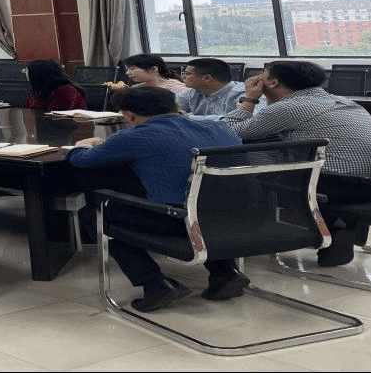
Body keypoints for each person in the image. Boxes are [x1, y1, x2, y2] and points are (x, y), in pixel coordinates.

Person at [67, 86, 244, 312]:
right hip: (238, 218)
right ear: (176, 107)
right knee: (200, 200)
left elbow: (82, 161)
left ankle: (154, 283)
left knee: (95, 213)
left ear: (128, 115)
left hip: (181, 223)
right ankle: (225, 272)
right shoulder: (221, 128)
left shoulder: (134, 137)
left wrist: (82, 146)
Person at [220, 60, 371, 267]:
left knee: (245, 170)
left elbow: (225, 133)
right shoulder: (343, 101)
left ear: (272, 82)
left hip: (338, 187)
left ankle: (250, 239)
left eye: (261, 75)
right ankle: (341, 225)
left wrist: (249, 99)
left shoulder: (289, 108)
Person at [175, 58, 251, 120]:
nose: (183, 77)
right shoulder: (193, 92)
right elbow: (171, 109)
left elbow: (238, 120)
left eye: (187, 74)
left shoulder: (245, 94)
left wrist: (189, 118)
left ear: (207, 78)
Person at [23, 59, 87, 111]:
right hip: (46, 122)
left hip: (69, 122)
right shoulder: (37, 90)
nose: (25, 73)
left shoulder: (66, 90)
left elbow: (55, 114)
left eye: (27, 71)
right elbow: (28, 111)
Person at [108, 54, 186, 94]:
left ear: (154, 69)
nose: (127, 73)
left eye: (132, 69)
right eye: (127, 70)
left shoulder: (176, 89)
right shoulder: (136, 88)